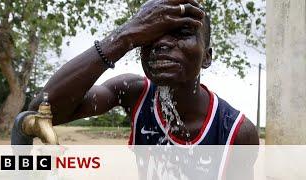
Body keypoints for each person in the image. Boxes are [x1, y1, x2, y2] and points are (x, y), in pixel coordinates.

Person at [29, 0, 259, 146]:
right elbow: (42, 113)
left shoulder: (235, 133)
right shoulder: (132, 93)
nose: (161, 44)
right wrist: (123, 37)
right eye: (148, 35)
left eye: (182, 32)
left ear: (207, 57)